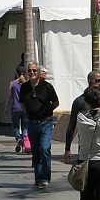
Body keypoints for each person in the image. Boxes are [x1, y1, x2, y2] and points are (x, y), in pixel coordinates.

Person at [19, 61, 59, 189]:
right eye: (30, 71)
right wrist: (31, 112)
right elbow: (22, 104)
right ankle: (38, 177)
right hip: (31, 123)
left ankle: (45, 177)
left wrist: (46, 112)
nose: (32, 73)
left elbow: (56, 102)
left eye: (34, 70)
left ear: (39, 72)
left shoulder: (47, 87)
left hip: (45, 123)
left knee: (45, 148)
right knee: (35, 152)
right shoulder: (24, 87)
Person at [8, 66, 28, 154]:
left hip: (15, 108)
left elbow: (10, 97)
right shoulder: (27, 84)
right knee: (25, 127)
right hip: (25, 109)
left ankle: (19, 139)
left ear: (16, 73)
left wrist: (6, 107)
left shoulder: (12, 83)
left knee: (15, 127)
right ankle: (25, 144)